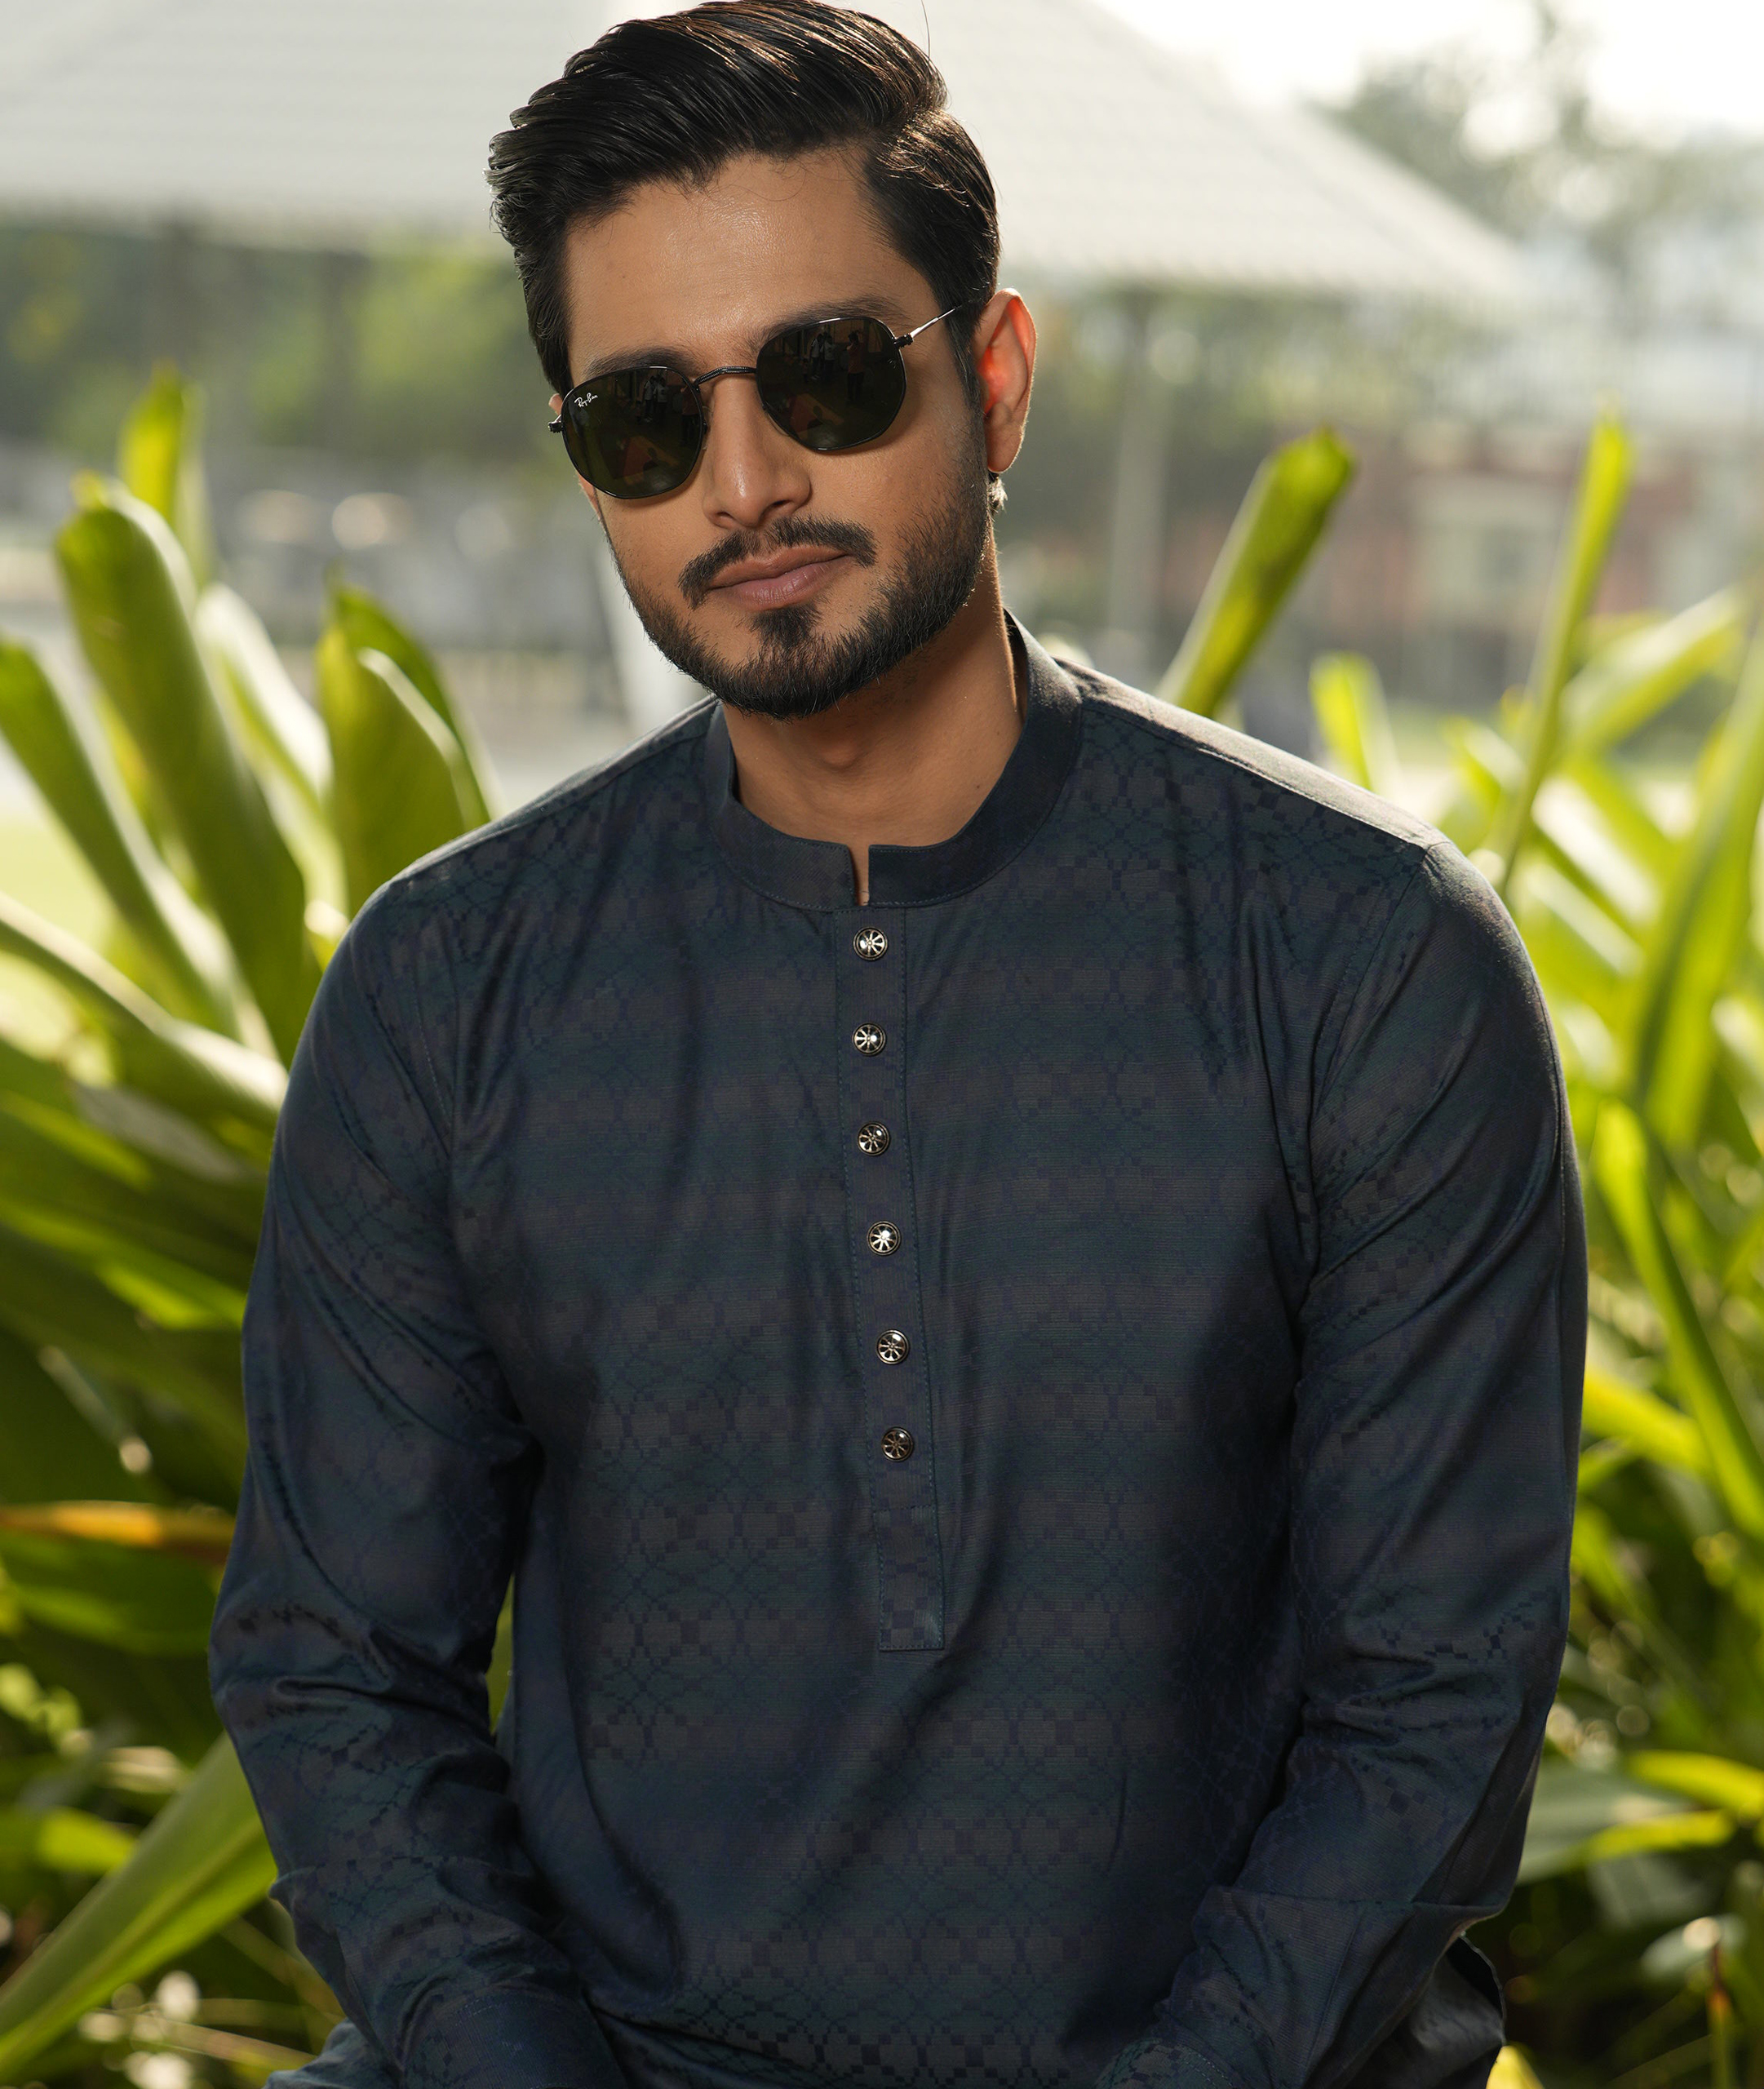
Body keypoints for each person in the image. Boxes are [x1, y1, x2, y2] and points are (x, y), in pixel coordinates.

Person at [209, 7, 1584, 2089]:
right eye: (645, 420)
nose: (745, 480)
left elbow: (1433, 1694)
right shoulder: (449, 990)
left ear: (996, 376)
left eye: (830, 376)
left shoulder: (1362, 957)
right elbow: (336, 1666)